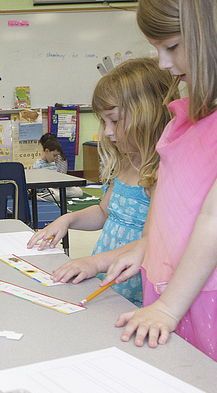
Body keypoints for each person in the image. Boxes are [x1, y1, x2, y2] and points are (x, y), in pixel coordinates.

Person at [101, 0, 217, 369]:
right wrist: (144, 246)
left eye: (172, 46)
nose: (163, 63)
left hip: (204, 295)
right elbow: (170, 204)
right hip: (166, 287)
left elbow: (216, 217)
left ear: (212, 31)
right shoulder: (183, 117)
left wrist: (170, 308)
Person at [27, 58, 176, 308]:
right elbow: (103, 212)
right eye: (104, 121)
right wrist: (67, 220)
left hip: (137, 290)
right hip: (108, 283)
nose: (107, 132)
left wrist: (94, 262)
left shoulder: (161, 172)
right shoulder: (127, 162)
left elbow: (151, 242)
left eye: (115, 120)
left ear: (148, 114)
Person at [32, 133, 83, 200]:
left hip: (57, 188)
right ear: (46, 151)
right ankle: (35, 197)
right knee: (57, 196)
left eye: (56, 156)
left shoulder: (53, 163)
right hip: (47, 190)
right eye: (54, 155)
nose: (55, 158)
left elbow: (58, 177)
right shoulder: (38, 164)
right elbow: (37, 186)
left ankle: (59, 194)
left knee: (79, 192)